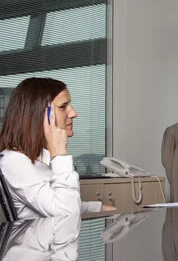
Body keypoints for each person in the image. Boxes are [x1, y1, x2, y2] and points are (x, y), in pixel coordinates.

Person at [0, 77, 116, 219]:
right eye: (63, 107)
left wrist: (97, 208)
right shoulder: (15, 162)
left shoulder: (40, 159)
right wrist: (59, 153)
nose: (73, 113)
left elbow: (61, 202)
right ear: (38, 114)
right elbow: (68, 216)